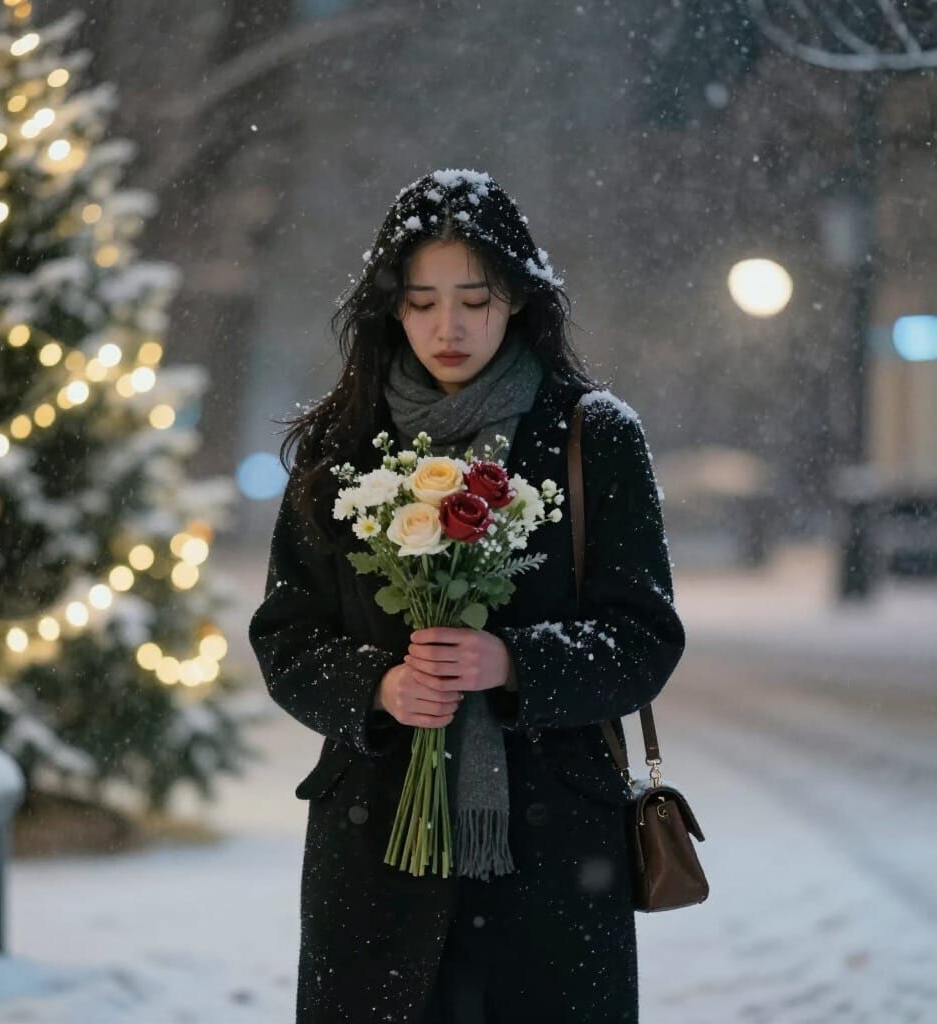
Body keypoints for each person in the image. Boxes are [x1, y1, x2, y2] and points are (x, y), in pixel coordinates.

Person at [248, 168, 685, 1024]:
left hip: (553, 850)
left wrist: (512, 662)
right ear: (392, 308)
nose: (448, 326)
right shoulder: (341, 446)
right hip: (375, 849)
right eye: (421, 302)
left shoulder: (593, 435)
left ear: (520, 298)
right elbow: (286, 637)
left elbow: (644, 638)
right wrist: (380, 687)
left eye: (475, 300)